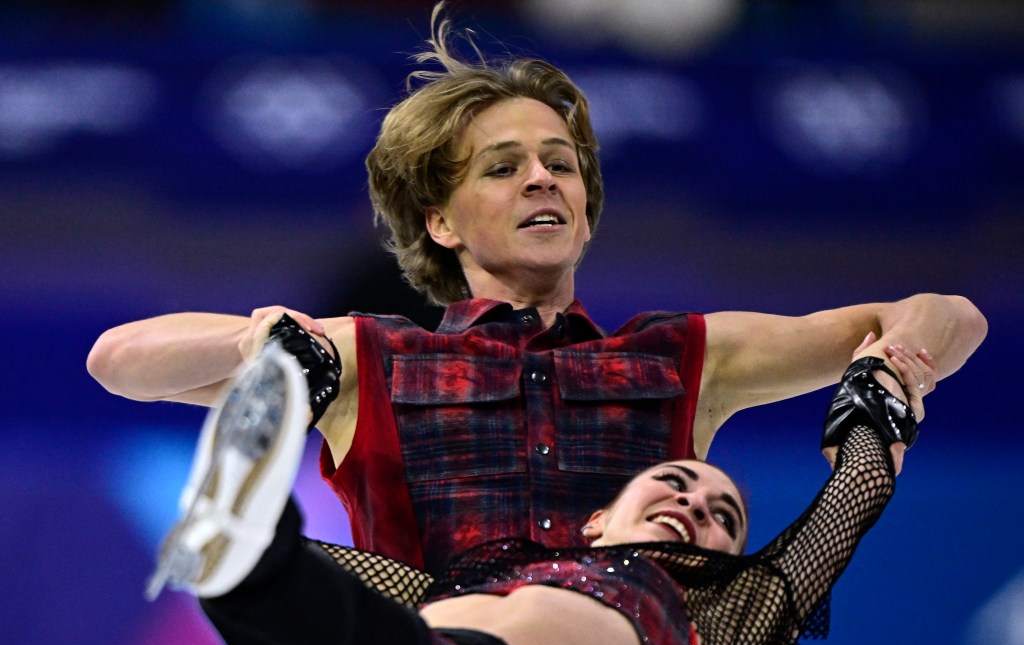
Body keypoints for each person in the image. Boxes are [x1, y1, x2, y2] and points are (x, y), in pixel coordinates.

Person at [86, 3, 988, 575]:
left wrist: (899, 367)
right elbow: (120, 361)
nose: (542, 181)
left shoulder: (680, 358)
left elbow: (950, 316)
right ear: (440, 221)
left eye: (561, 165)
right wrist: (269, 343)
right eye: (504, 167)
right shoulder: (375, 356)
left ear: (589, 212)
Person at [150, 334, 931, 645]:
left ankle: (250, 558)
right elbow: (353, 580)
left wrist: (879, 400)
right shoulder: (487, 577)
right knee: (294, 613)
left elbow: (853, 499)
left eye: (724, 515)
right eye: (675, 483)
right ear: (598, 518)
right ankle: (243, 556)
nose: (696, 507)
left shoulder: (733, 613)